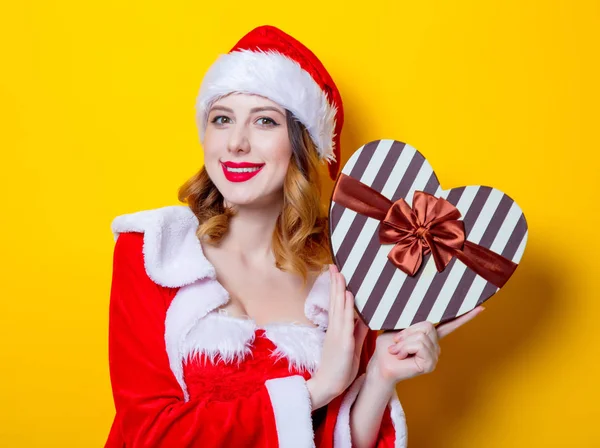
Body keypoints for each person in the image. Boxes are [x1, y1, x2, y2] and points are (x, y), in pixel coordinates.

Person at [104, 25, 483, 448]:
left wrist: (380, 374)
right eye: (222, 119)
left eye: (264, 121)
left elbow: (336, 440)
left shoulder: (340, 277)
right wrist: (315, 390)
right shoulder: (155, 253)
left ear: (302, 144)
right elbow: (152, 435)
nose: (237, 143)